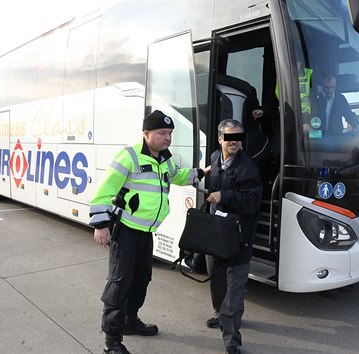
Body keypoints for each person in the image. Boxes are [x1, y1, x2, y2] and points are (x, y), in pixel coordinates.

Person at [89, 110, 211, 354]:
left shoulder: (164, 159)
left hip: (146, 232)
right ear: (146, 134)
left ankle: (130, 320)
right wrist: (101, 224)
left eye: (170, 134)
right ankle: (112, 341)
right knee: (119, 283)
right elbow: (104, 190)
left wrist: (199, 173)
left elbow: (177, 176)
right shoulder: (129, 156)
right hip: (125, 231)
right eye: (162, 133)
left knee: (141, 279)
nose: (167, 138)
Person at [204, 119, 263, 354]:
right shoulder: (214, 158)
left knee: (235, 289)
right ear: (220, 139)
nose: (234, 142)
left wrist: (224, 196)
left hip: (239, 238)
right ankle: (219, 313)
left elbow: (252, 202)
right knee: (216, 278)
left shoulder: (248, 168)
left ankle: (232, 341)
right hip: (216, 234)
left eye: (238, 137)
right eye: (229, 137)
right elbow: (211, 190)